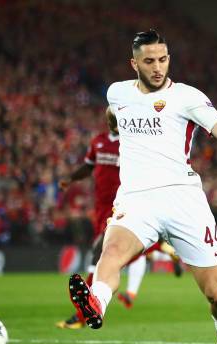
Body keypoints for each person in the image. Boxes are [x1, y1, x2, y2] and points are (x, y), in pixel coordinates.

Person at [67, 29, 217, 344]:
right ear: (134, 63)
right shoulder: (117, 93)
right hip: (136, 198)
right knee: (111, 253)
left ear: (168, 59)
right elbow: (114, 115)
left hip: (183, 201)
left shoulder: (187, 97)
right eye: (149, 61)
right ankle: (96, 303)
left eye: (162, 59)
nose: (157, 67)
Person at [56, 110, 183, 329]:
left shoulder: (132, 143)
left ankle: (82, 314)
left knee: (100, 255)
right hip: (100, 208)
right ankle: (161, 248)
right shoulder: (98, 142)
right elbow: (88, 166)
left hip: (123, 205)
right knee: (111, 255)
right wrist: (71, 178)